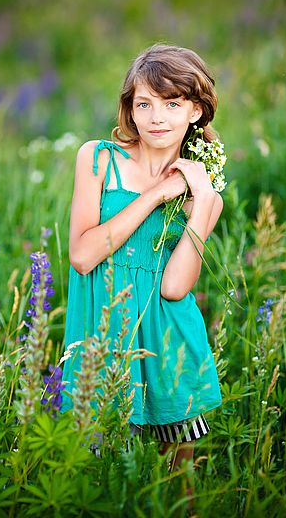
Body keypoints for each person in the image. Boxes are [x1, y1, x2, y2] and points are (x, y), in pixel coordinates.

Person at [60, 42, 224, 498]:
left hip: (170, 347)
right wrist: (154, 194)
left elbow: (174, 287)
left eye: (173, 104)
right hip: (101, 339)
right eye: (144, 103)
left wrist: (204, 204)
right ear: (130, 109)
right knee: (97, 481)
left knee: (179, 488)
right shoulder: (97, 158)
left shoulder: (202, 195)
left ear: (195, 111)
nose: (157, 117)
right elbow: (83, 255)